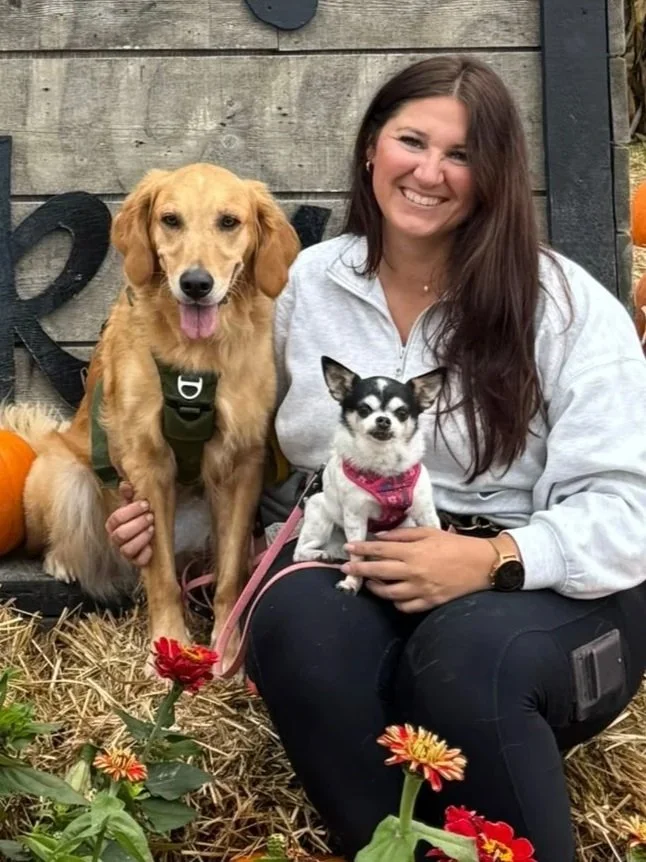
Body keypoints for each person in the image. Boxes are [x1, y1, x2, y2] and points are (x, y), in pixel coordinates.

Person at [106, 55, 646, 862]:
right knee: (296, 632)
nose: (430, 172)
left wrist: (491, 559)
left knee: (464, 661)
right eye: (411, 141)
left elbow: (629, 508)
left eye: (461, 154)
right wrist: (158, 517)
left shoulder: (564, 306)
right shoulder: (305, 287)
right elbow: (236, 446)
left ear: (497, 174)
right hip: (354, 552)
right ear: (370, 150)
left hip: (536, 580)